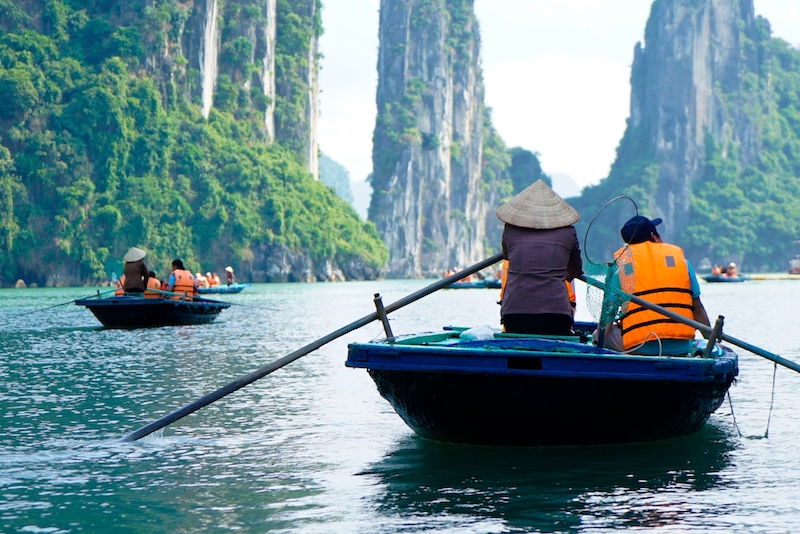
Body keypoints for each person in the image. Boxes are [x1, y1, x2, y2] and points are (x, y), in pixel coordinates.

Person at [605, 215, 710, 355]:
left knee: (597, 335)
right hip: (680, 347)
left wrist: (598, 343)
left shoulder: (621, 265)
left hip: (640, 347)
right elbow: (698, 308)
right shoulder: (682, 263)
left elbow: (608, 314)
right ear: (654, 236)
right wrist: (712, 341)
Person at [497, 180, 583, 335]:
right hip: (556, 313)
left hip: (515, 313)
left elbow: (508, 256)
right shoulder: (568, 232)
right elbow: (575, 270)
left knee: (518, 357)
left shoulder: (510, 230)